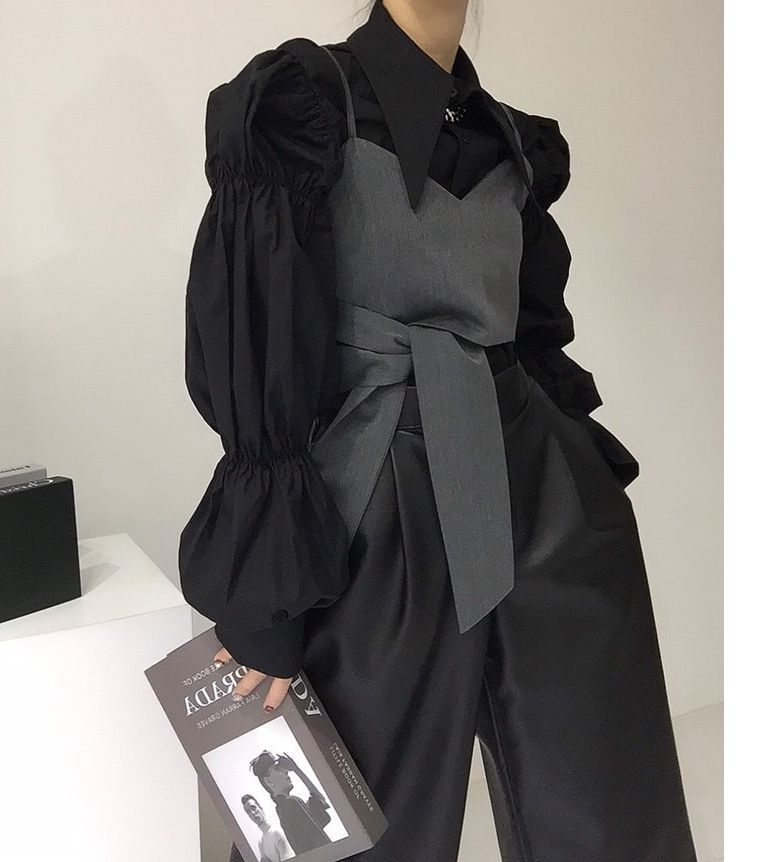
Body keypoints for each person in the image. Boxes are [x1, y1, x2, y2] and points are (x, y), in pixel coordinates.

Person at [179, 1, 700, 859]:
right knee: (357, 819)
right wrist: (266, 599)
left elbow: (533, 332)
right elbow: (255, 338)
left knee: (602, 794)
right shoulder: (302, 108)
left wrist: (580, 467)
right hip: (379, 504)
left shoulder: (513, 141)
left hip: (538, 489)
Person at [249, 751, 332, 854]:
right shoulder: (291, 803)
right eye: (277, 769)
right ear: (269, 781)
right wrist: (296, 770)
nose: (286, 771)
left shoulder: (284, 808)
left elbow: (318, 799)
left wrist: (296, 769)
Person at [240, 794, 292, 862]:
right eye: (248, 812)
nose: (252, 813)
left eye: (253, 807)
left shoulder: (277, 832)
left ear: (260, 808)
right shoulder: (261, 843)